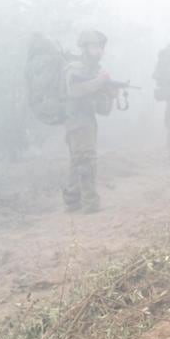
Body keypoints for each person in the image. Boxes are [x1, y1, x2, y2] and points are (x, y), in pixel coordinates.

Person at [62, 29, 114, 213]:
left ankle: (72, 201)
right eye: (94, 46)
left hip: (87, 120)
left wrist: (109, 93)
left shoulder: (94, 70)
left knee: (78, 160)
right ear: (84, 48)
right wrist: (100, 82)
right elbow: (74, 91)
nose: (99, 50)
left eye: (101, 47)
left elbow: (103, 110)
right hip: (77, 120)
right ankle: (90, 202)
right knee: (86, 160)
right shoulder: (75, 68)